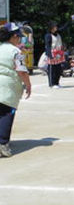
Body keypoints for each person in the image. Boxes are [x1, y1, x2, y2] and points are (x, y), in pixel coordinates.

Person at [0, 23, 32, 157]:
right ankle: (2, 144)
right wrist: (28, 85)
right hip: (7, 86)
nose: (19, 39)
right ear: (13, 36)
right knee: (7, 113)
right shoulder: (16, 51)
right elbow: (22, 71)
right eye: (18, 36)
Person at [44, 21, 65, 88]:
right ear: (51, 28)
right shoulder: (48, 35)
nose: (56, 28)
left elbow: (64, 27)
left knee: (58, 69)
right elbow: (48, 46)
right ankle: (51, 84)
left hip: (59, 52)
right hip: (52, 53)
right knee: (52, 69)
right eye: (54, 26)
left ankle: (57, 83)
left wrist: (70, 20)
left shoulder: (58, 33)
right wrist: (50, 55)